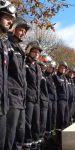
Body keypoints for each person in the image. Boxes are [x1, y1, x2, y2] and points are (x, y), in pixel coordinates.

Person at [4, 17, 30, 150]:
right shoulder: (6, 45)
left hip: (21, 97)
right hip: (11, 95)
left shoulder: (20, 50)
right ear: (13, 29)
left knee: (20, 131)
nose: (23, 34)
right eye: (21, 30)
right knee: (10, 132)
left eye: (24, 32)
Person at [0, 1, 16, 149]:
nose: (10, 21)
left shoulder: (3, 44)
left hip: (2, 106)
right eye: (6, 16)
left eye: (12, 19)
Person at [23, 41, 42, 150]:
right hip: (28, 98)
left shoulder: (38, 68)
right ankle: (27, 145)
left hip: (36, 99)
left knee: (36, 123)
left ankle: (36, 145)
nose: (36, 54)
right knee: (28, 123)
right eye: (34, 52)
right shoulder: (24, 64)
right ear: (29, 52)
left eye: (38, 53)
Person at [38, 54, 51, 149]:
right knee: (40, 123)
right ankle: (39, 143)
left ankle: (42, 142)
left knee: (43, 124)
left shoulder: (44, 74)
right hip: (40, 101)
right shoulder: (39, 72)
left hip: (45, 101)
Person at [53, 60, 69, 140]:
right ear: (58, 68)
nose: (62, 69)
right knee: (60, 118)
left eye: (64, 68)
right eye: (61, 68)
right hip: (60, 100)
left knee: (66, 119)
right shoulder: (56, 77)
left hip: (66, 101)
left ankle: (65, 136)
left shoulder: (65, 78)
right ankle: (59, 137)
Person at [44, 59, 57, 145]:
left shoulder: (52, 78)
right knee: (48, 119)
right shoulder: (44, 76)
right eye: (49, 67)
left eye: (52, 68)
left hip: (54, 100)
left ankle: (51, 134)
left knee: (53, 117)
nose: (50, 68)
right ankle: (47, 137)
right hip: (48, 99)